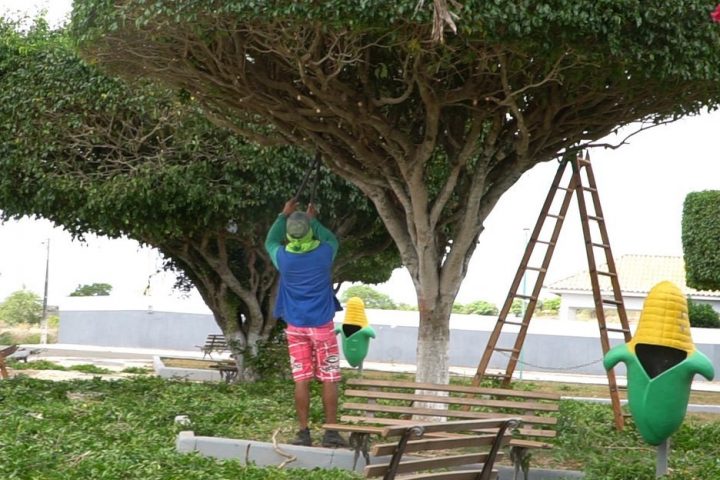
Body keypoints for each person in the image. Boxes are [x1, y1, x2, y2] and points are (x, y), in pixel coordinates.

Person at [264, 198, 348, 448]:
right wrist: (313, 219)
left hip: (296, 327)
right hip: (322, 326)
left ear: (289, 235)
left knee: (301, 378)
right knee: (329, 378)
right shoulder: (325, 253)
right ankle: (331, 433)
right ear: (310, 232)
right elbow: (330, 238)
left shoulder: (283, 257)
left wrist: (283, 215)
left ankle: (303, 433)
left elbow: (270, 240)